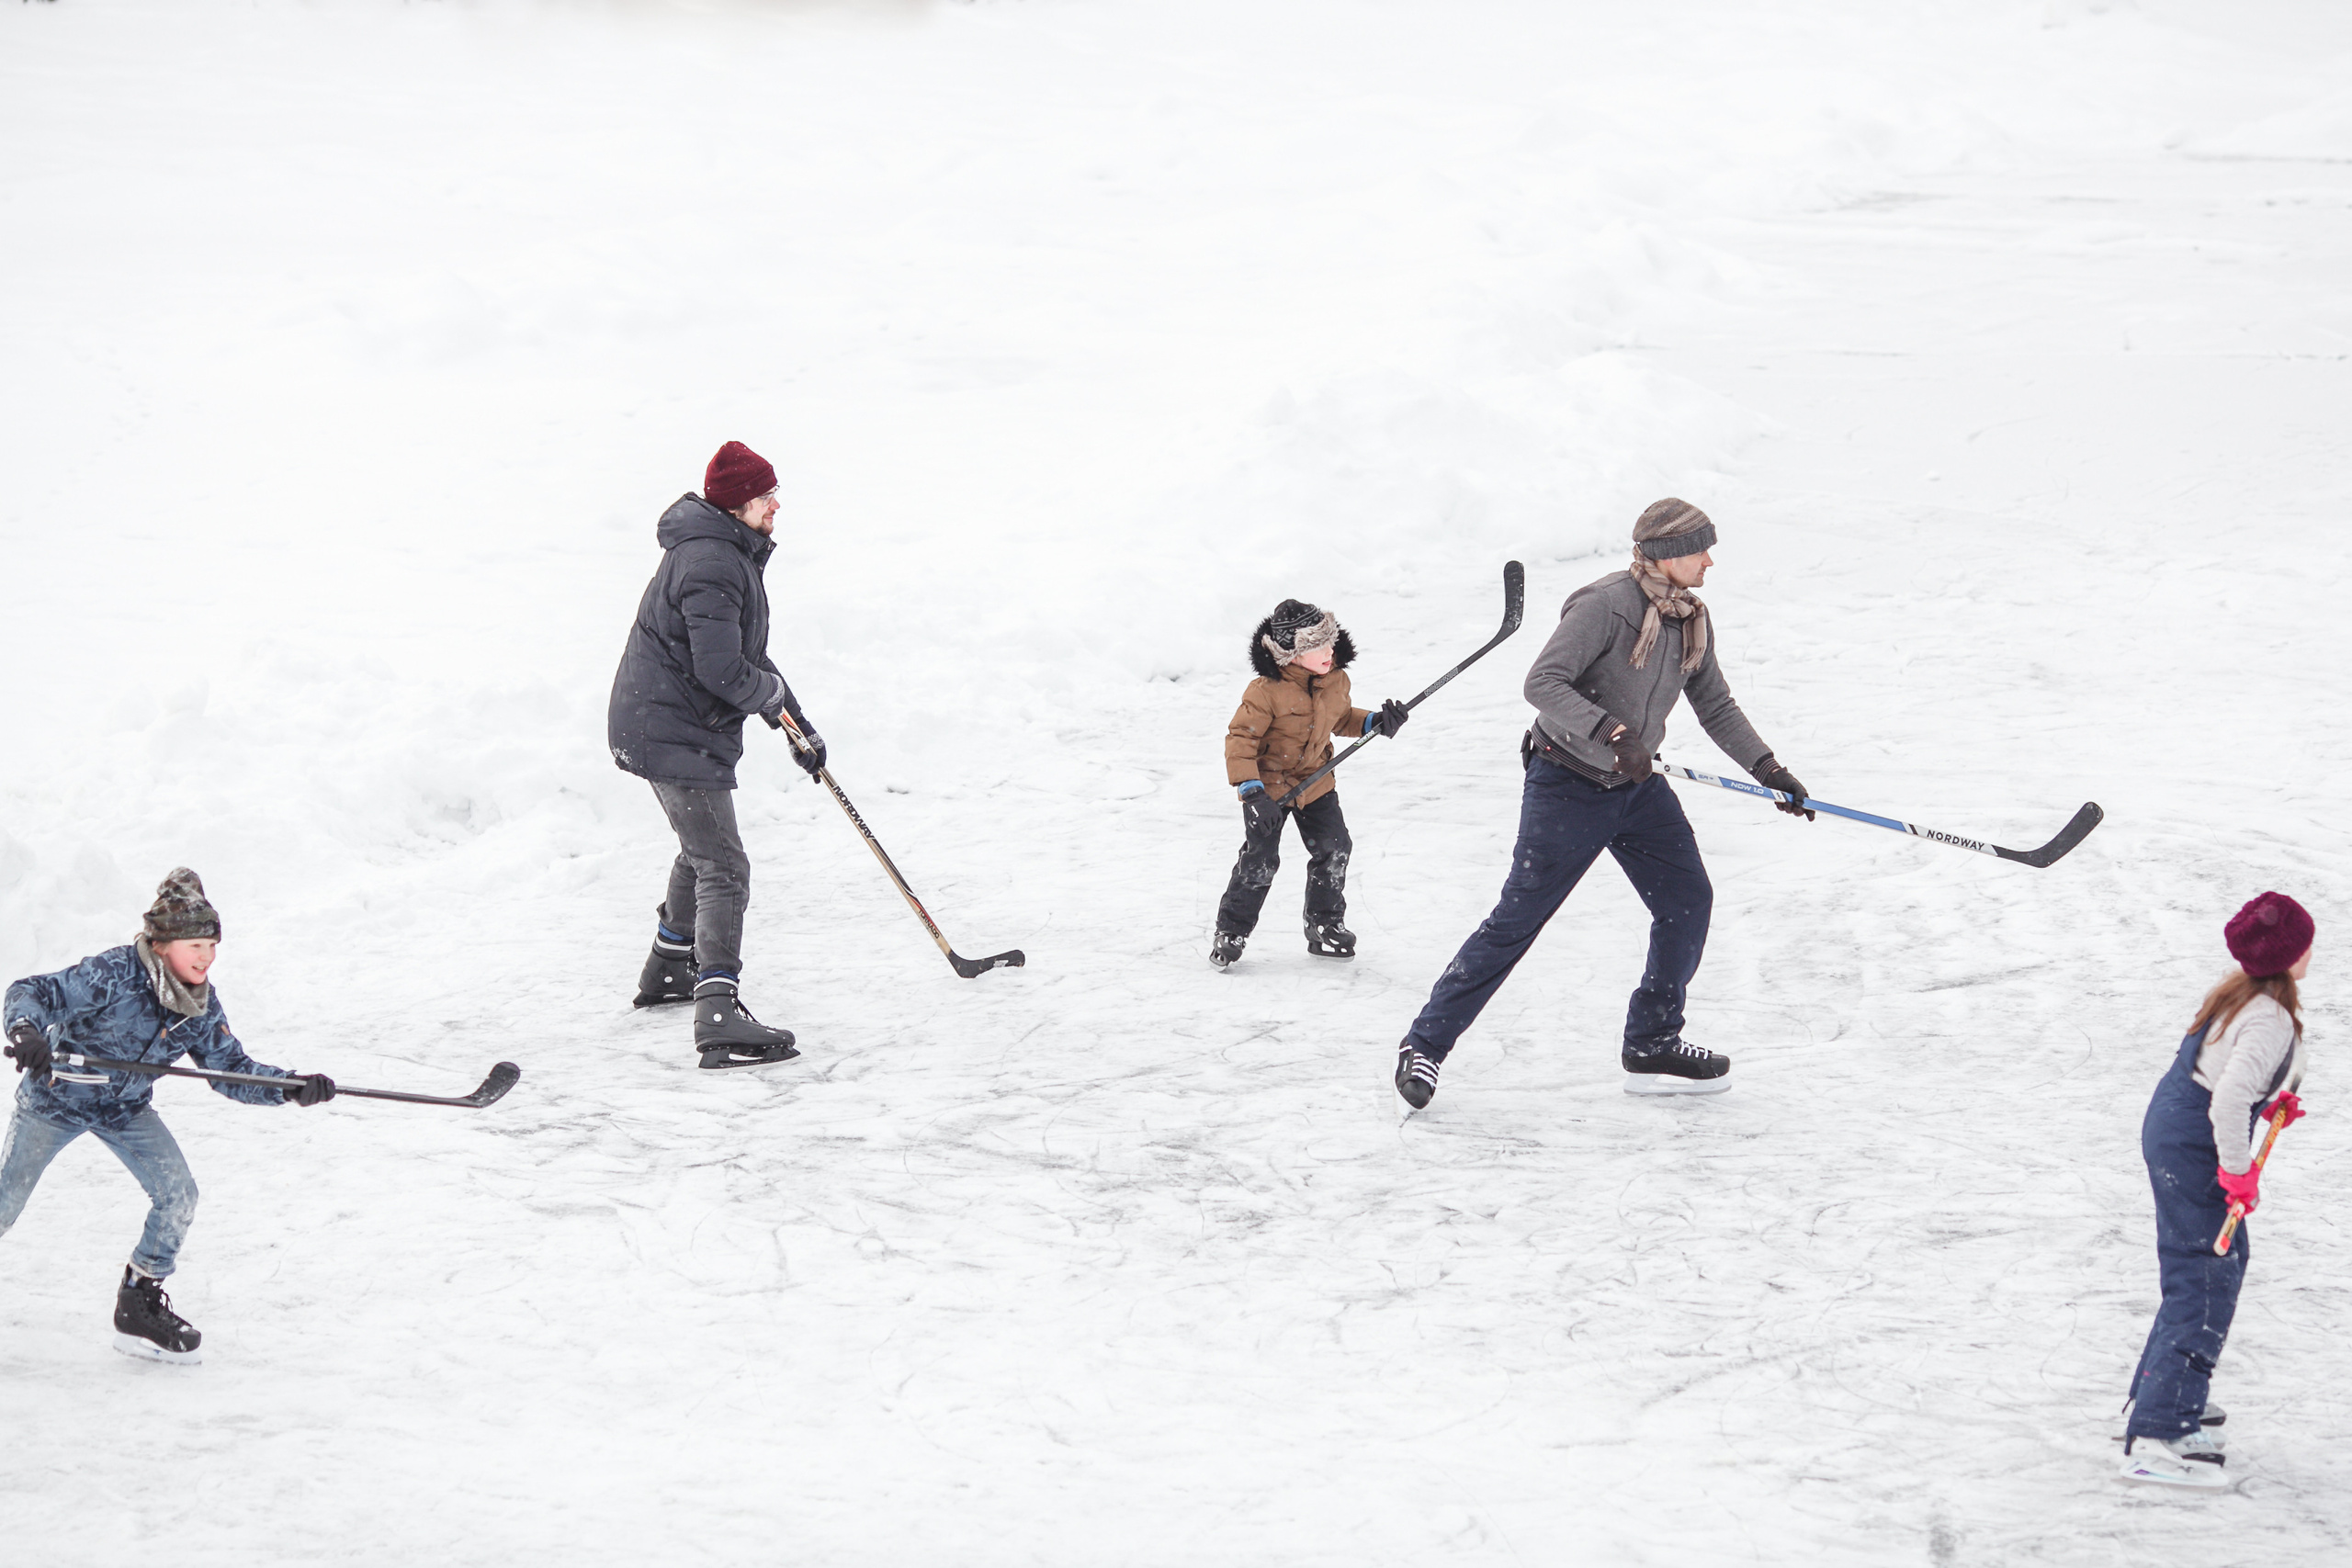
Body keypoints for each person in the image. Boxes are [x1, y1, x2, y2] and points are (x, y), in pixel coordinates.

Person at [1392, 499, 1812, 1108]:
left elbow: (1715, 704)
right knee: (1517, 919)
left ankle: (1652, 1040)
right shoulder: (1605, 604)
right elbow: (1542, 681)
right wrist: (1612, 732)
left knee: (1686, 899)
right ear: (1668, 554)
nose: (1710, 560)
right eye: (1701, 548)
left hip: (1637, 789)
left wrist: (1768, 767)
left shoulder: (1690, 617)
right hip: (1567, 783)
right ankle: (1424, 1043)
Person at [0, 869, 334, 1365]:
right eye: (194, 945)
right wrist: (28, 1031)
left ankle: (138, 1303)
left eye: (211, 945)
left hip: (125, 1109)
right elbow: (34, 992)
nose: (206, 956)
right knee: (6, 1199)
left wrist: (290, 1088)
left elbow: (231, 1071)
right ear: (161, 945)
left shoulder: (198, 1004)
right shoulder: (112, 975)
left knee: (179, 1195)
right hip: (57, 1098)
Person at [607, 440, 823, 1071]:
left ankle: (672, 963)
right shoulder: (712, 563)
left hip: (662, 724)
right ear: (736, 506)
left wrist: (796, 723)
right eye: (764, 498)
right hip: (670, 729)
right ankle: (719, 1012)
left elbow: (745, 657)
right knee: (723, 864)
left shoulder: (724, 553)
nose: (775, 505)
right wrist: (771, 697)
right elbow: (725, 671)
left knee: (700, 850)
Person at [2118, 892, 2312, 1488]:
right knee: (2206, 1272)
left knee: (2209, 1264)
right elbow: (2227, 1098)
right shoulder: (2268, 1016)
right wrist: (2236, 1171)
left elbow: (2229, 1075)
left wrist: (2271, 1099)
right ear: (2291, 954)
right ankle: (2158, 1433)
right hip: (2194, 1141)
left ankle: (2163, 1392)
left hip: (2176, 1125)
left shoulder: (2242, 993)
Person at [1213, 599, 1409, 968]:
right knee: (1261, 862)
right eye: (1317, 646)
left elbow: (1340, 717)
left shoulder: (1335, 678)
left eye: (1329, 642)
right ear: (1291, 652)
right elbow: (1240, 739)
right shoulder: (1265, 690)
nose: (1328, 651)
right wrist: (1251, 791)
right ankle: (1230, 930)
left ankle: (1324, 924)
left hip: (1315, 782)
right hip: (1268, 787)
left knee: (1335, 849)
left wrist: (1375, 722)